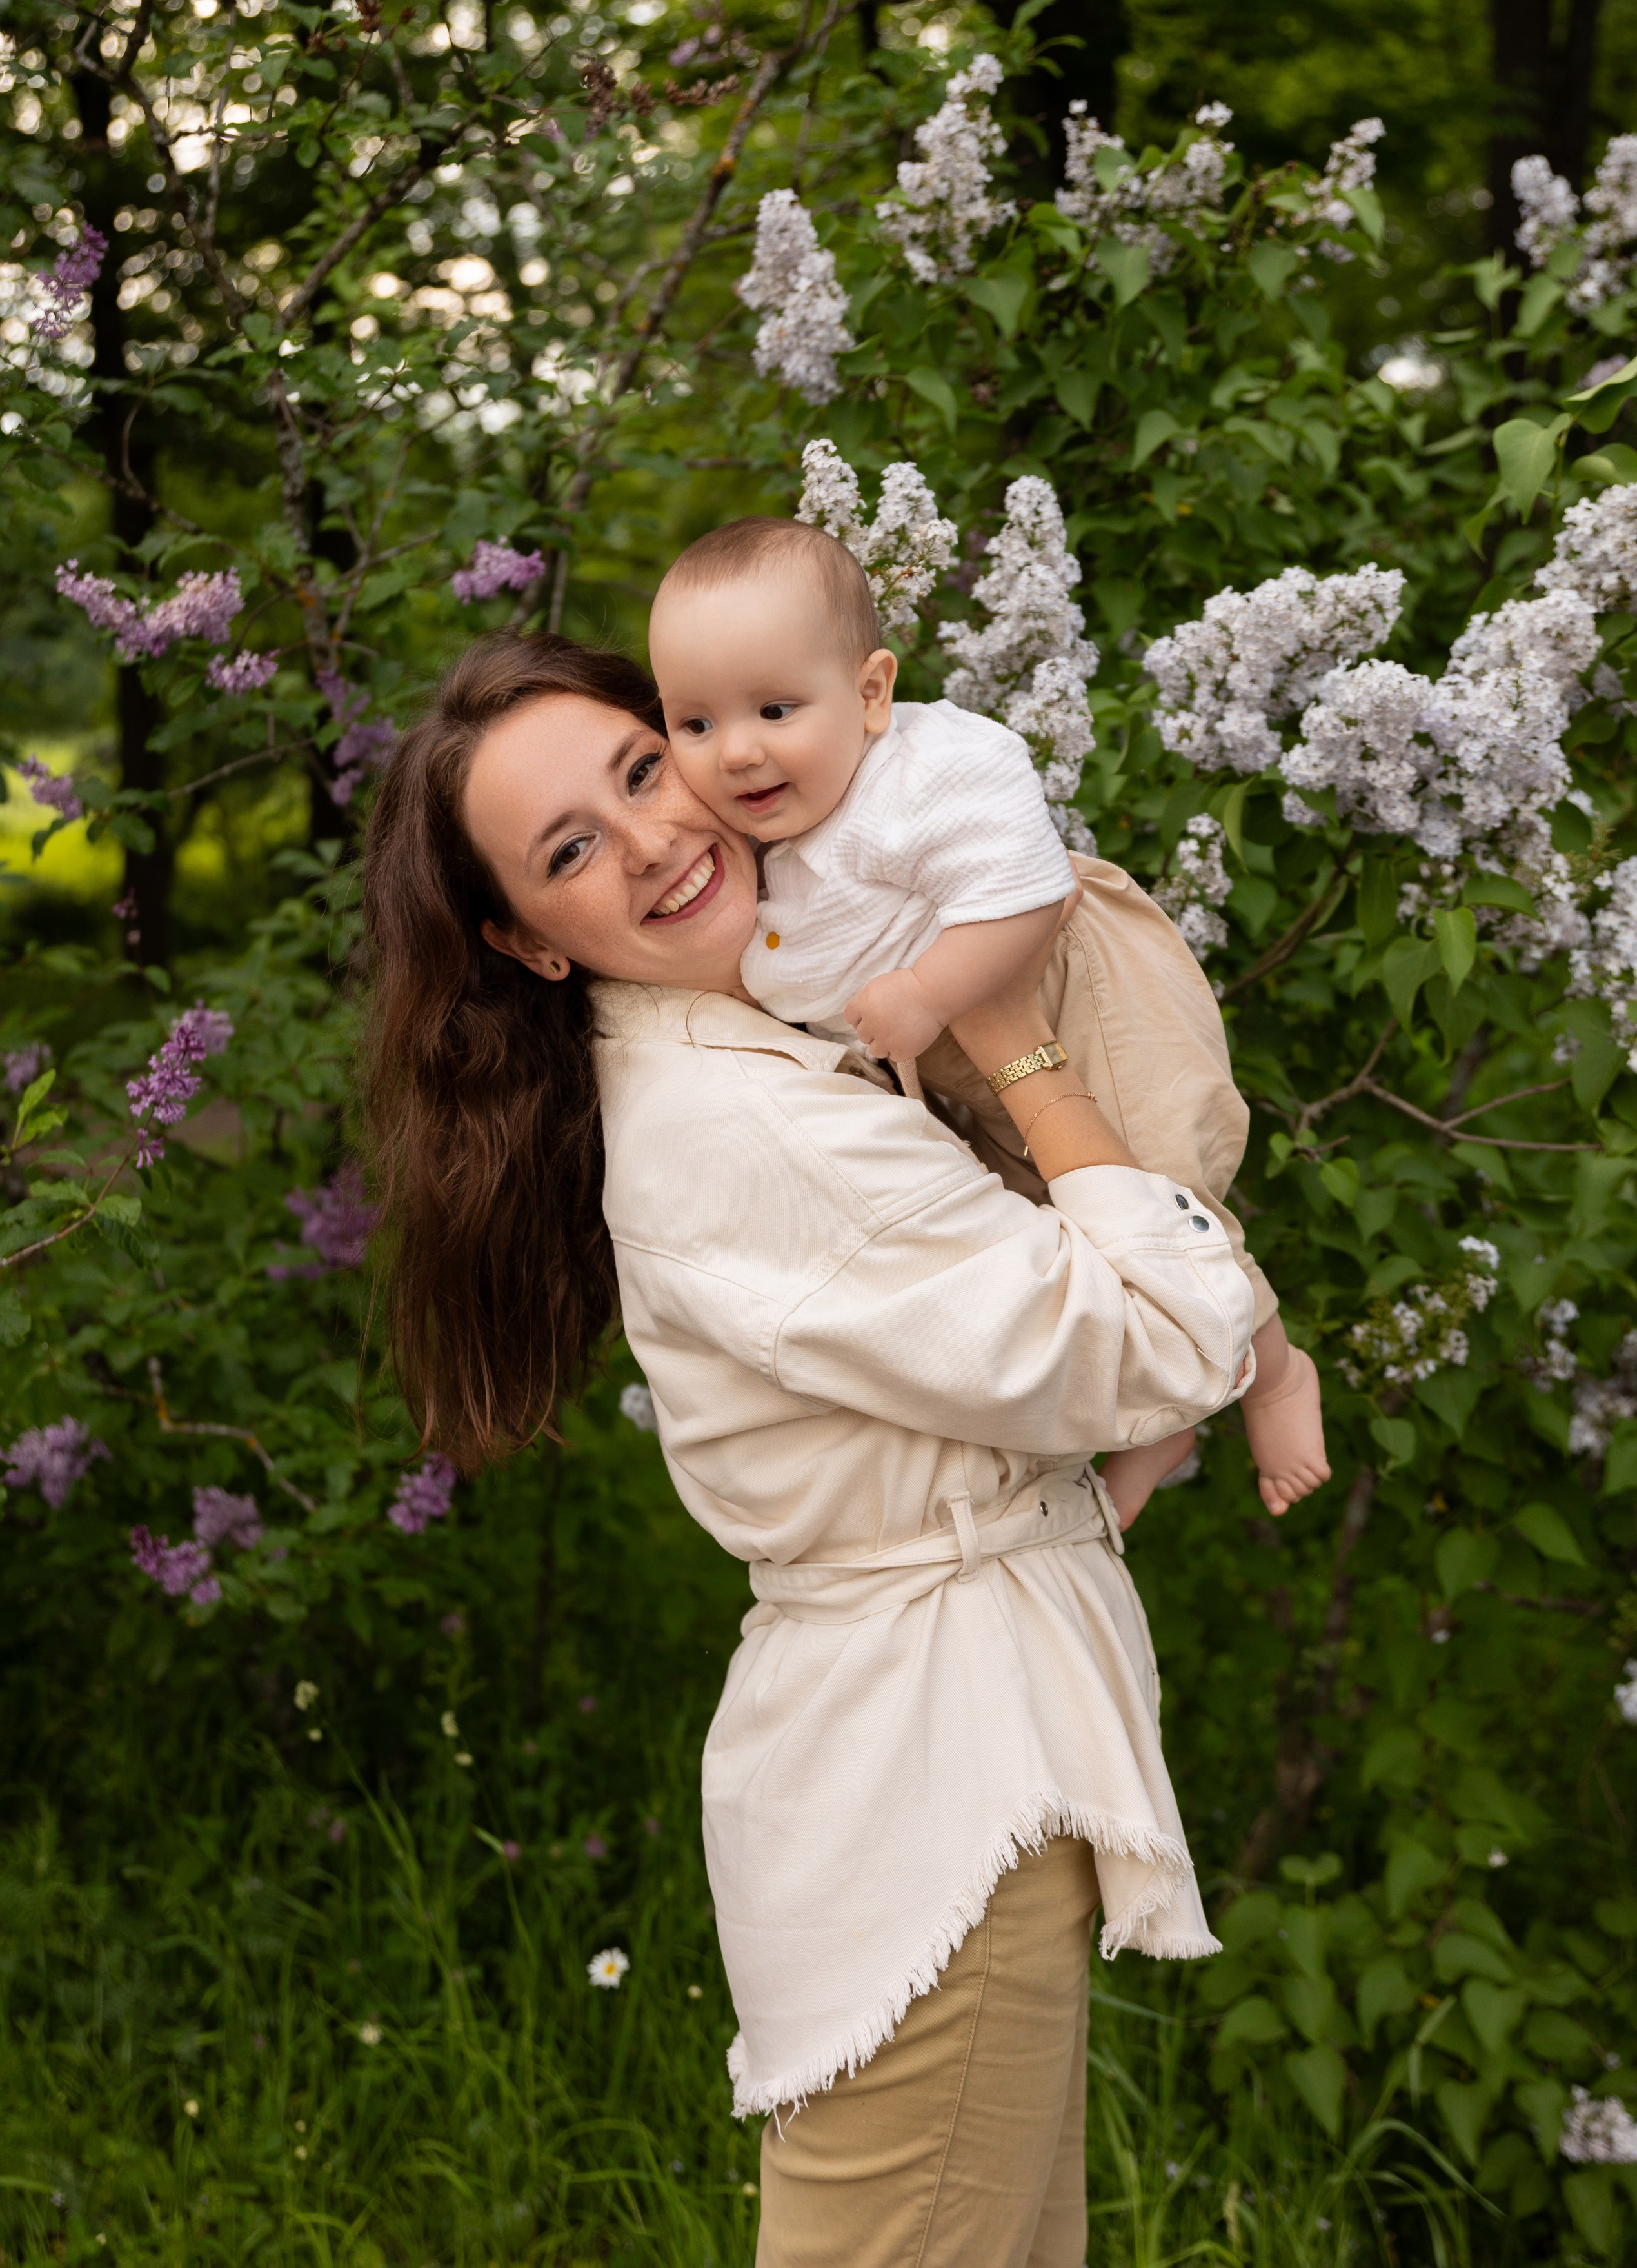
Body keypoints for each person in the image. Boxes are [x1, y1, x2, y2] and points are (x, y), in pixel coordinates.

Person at [362, 629, 1257, 2268]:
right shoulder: (743, 1125)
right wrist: (1020, 1043)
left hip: (941, 1764)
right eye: (571, 850)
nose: (650, 840)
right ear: (527, 943)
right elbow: (1163, 1343)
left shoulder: (771, 1047)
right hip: (936, 1788)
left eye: (642, 770)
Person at [648, 514, 1327, 1528]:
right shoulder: (770, 831)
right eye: (694, 725)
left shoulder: (927, 771)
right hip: (960, 1064)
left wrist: (928, 992)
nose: (736, 752)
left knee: (1149, 1192)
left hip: (1069, 995)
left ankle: (1274, 1374)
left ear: (873, 693)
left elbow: (1029, 891)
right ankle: (1167, 1422)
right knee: (1056, 1233)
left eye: (775, 708)